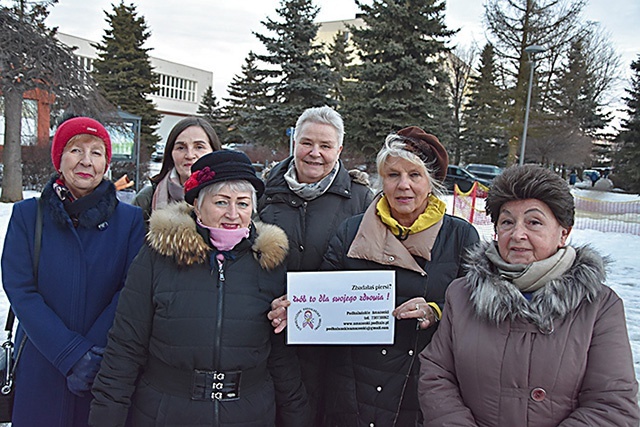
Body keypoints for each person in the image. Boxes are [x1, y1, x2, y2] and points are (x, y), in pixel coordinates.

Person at [270, 126, 480, 426]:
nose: (403, 185)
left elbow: (477, 311)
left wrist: (436, 311)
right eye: (393, 175)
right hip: (350, 388)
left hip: (419, 386)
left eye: (414, 175)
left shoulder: (459, 236)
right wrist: (296, 308)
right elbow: (325, 293)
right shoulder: (352, 230)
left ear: (431, 181)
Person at [89, 150, 309, 426]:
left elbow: (280, 358)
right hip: (166, 412)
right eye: (221, 202)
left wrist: (297, 416)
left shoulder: (269, 261)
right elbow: (125, 347)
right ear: (197, 205)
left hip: (249, 414)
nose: (233, 213)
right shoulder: (159, 257)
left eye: (242, 203)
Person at [418, 165, 640, 426]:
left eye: (534, 222)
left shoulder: (598, 304)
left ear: (563, 233)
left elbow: (612, 403)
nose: (517, 234)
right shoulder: (462, 293)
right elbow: (437, 374)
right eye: (507, 222)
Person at [1, 116, 146, 426]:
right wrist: (70, 354)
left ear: (106, 163)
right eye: (76, 150)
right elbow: (20, 289)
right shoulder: (28, 215)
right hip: (42, 361)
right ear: (59, 158)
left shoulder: (131, 220)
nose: (86, 161)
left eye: (96, 152)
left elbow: (131, 290)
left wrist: (90, 356)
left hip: (103, 366)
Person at [258, 105, 373, 425]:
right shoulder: (265, 192)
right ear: (294, 142)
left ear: (339, 150)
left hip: (333, 343)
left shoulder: (361, 199)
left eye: (325, 146)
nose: (315, 153)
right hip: (272, 333)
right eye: (307, 143)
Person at [132, 116, 222, 222]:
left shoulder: (232, 197)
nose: (189, 155)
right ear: (171, 153)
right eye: (181, 148)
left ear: (214, 151)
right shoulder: (145, 200)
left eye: (199, 147)